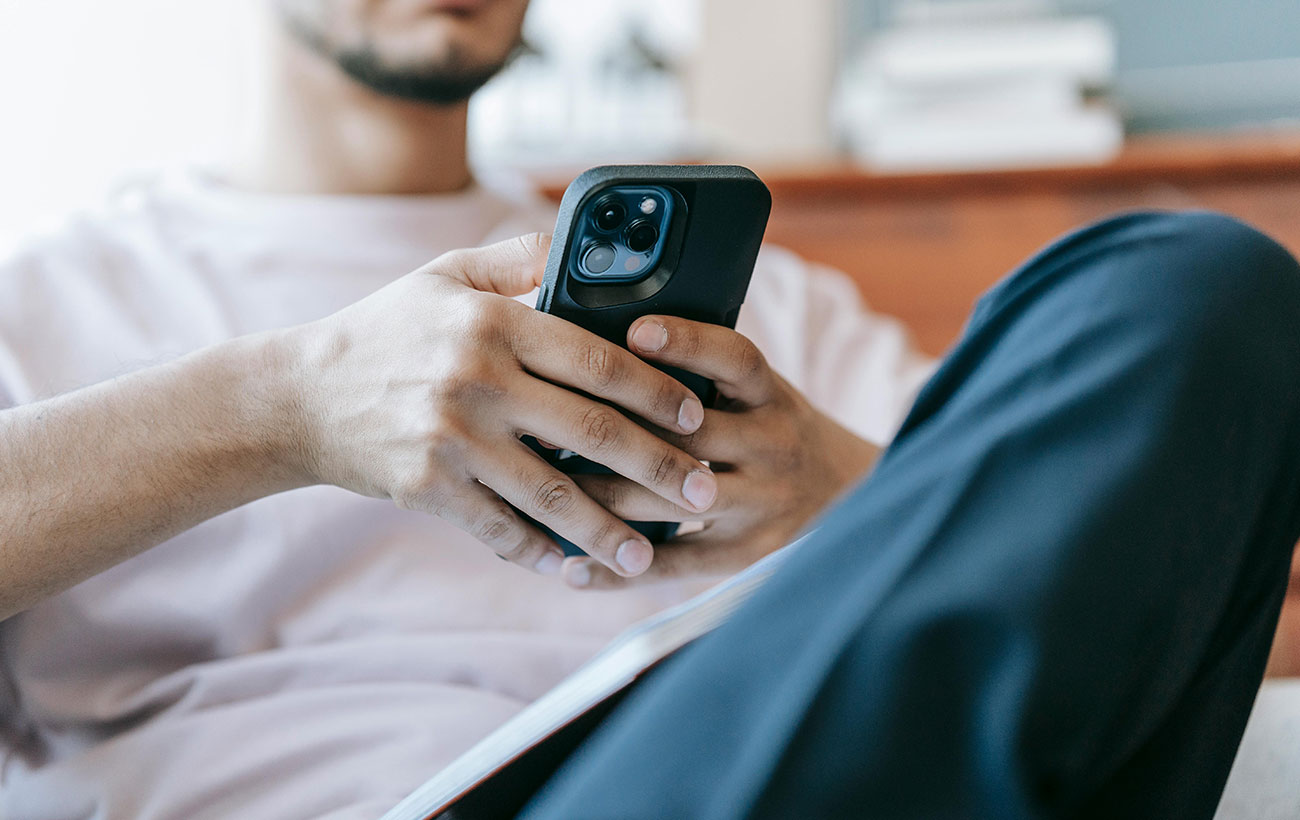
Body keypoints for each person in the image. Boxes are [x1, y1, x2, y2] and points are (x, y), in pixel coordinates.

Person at [1, 5, 1295, 820]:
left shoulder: (756, 299)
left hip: (761, 768)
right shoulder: (52, 305)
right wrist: (289, 407)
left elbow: (1076, 549)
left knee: (1192, 286)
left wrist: (839, 490)